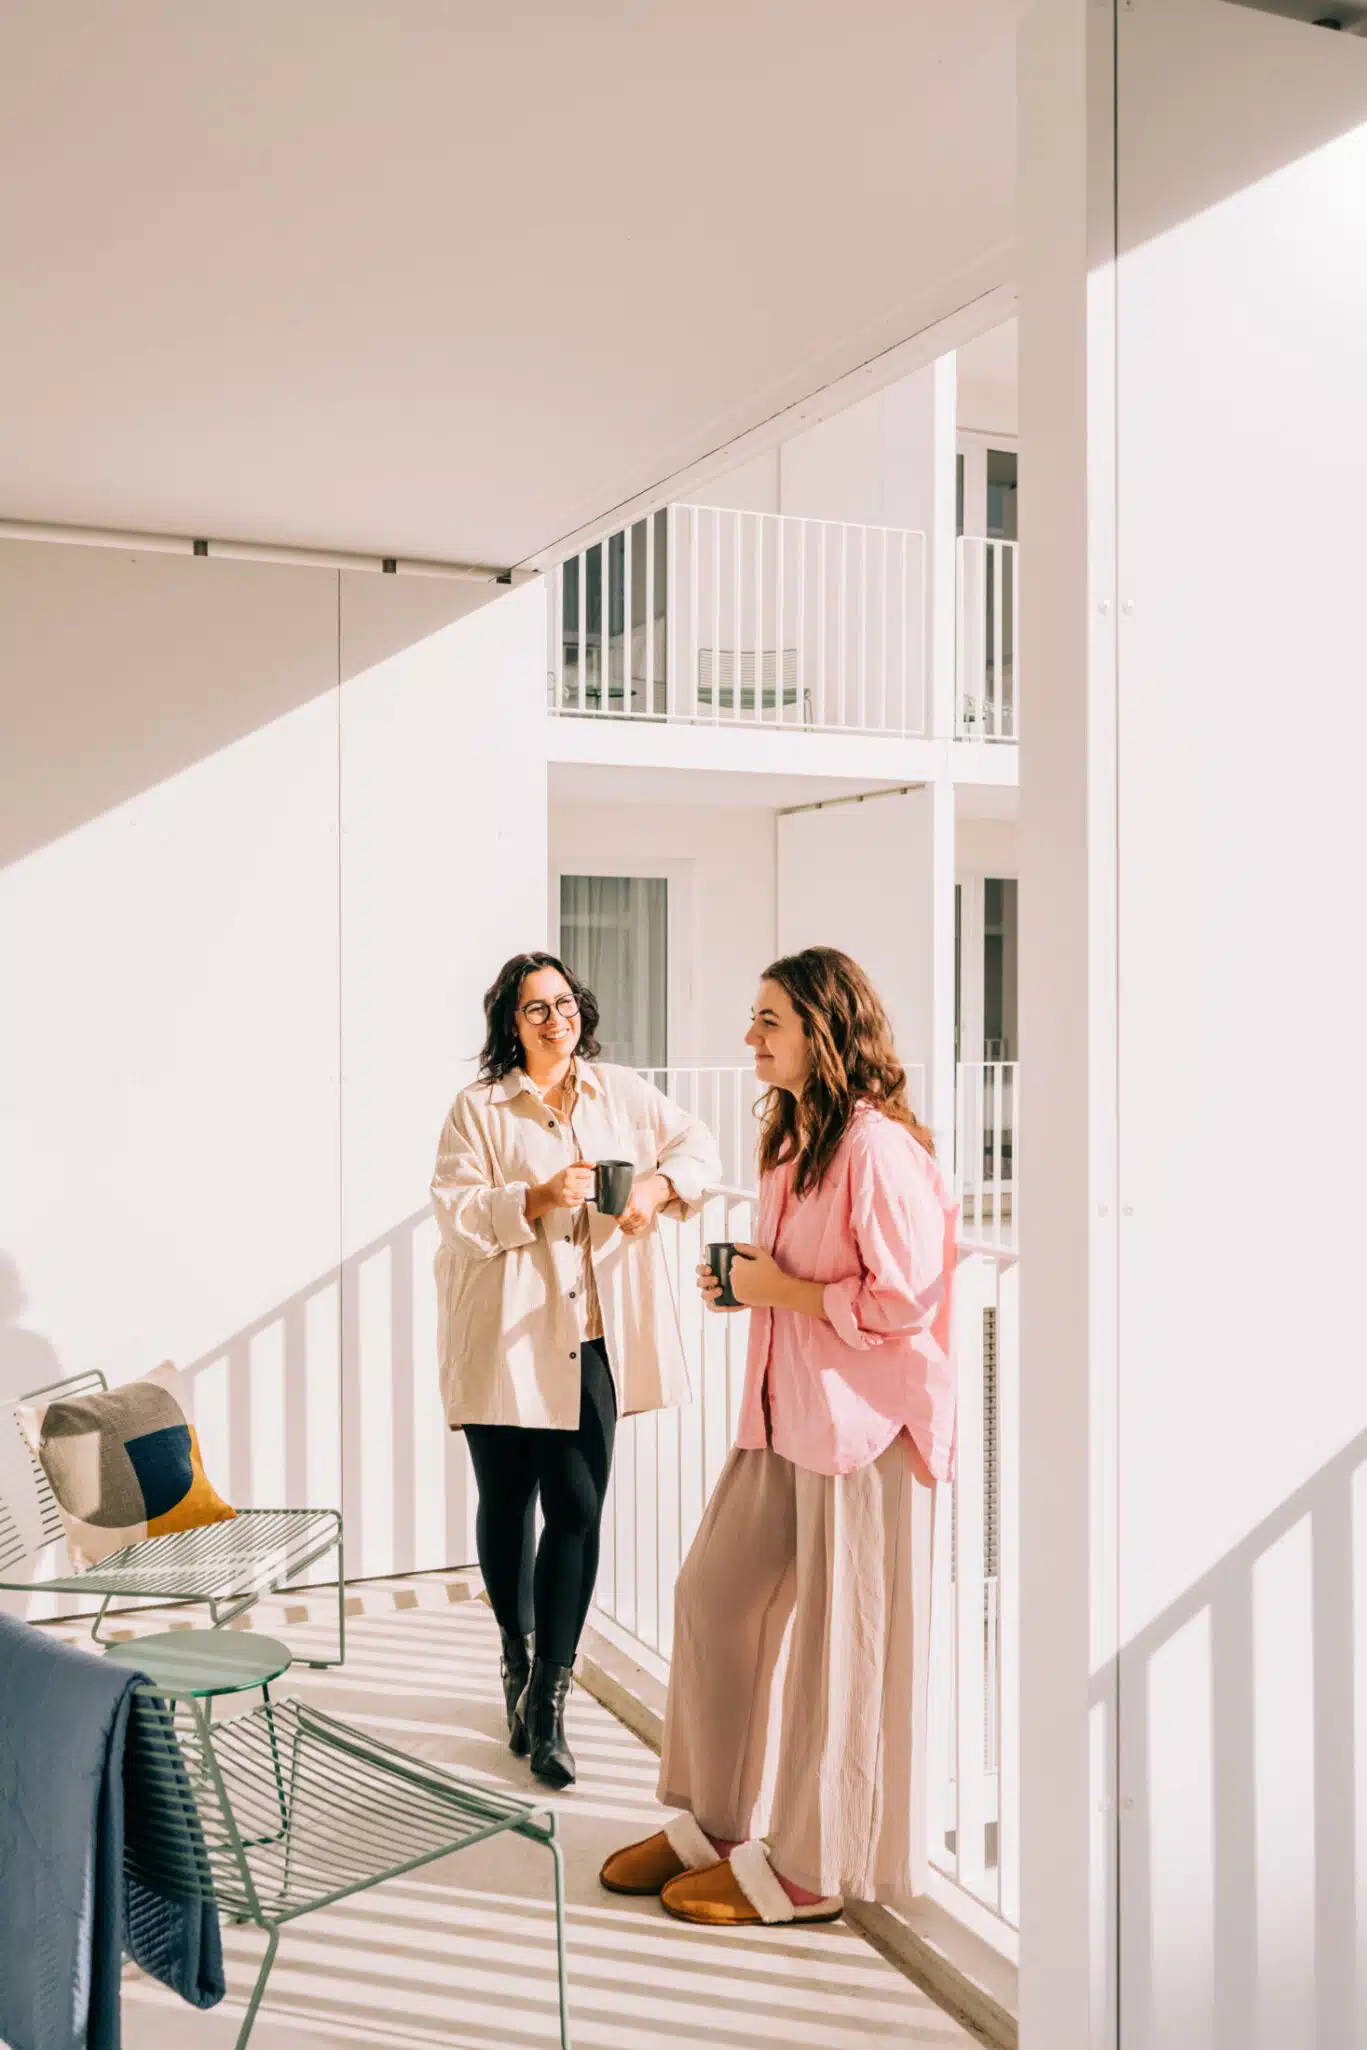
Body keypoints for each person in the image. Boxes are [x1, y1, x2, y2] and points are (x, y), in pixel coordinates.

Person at [599, 947, 957, 1925]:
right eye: (754, 1017)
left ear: (821, 1032)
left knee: (839, 1652)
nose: (749, 1036)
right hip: (781, 1417)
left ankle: (809, 1868)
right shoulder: (793, 1139)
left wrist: (781, 1290)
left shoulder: (877, 1149)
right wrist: (750, 1286)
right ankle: (717, 1823)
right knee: (713, 1596)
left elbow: (905, 1301)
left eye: (769, 1020)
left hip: (865, 1431)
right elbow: (804, 1279)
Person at [431, 951, 722, 1789]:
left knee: (577, 1510)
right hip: (503, 1337)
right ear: (510, 1024)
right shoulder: (480, 1108)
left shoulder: (619, 1091)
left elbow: (699, 1146)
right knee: (506, 1504)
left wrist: (656, 1188)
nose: (555, 1020)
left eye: (564, 1004)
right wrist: (538, 1196)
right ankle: (515, 1661)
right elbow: (454, 1213)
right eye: (535, 1009)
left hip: (592, 1336)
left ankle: (549, 1705)